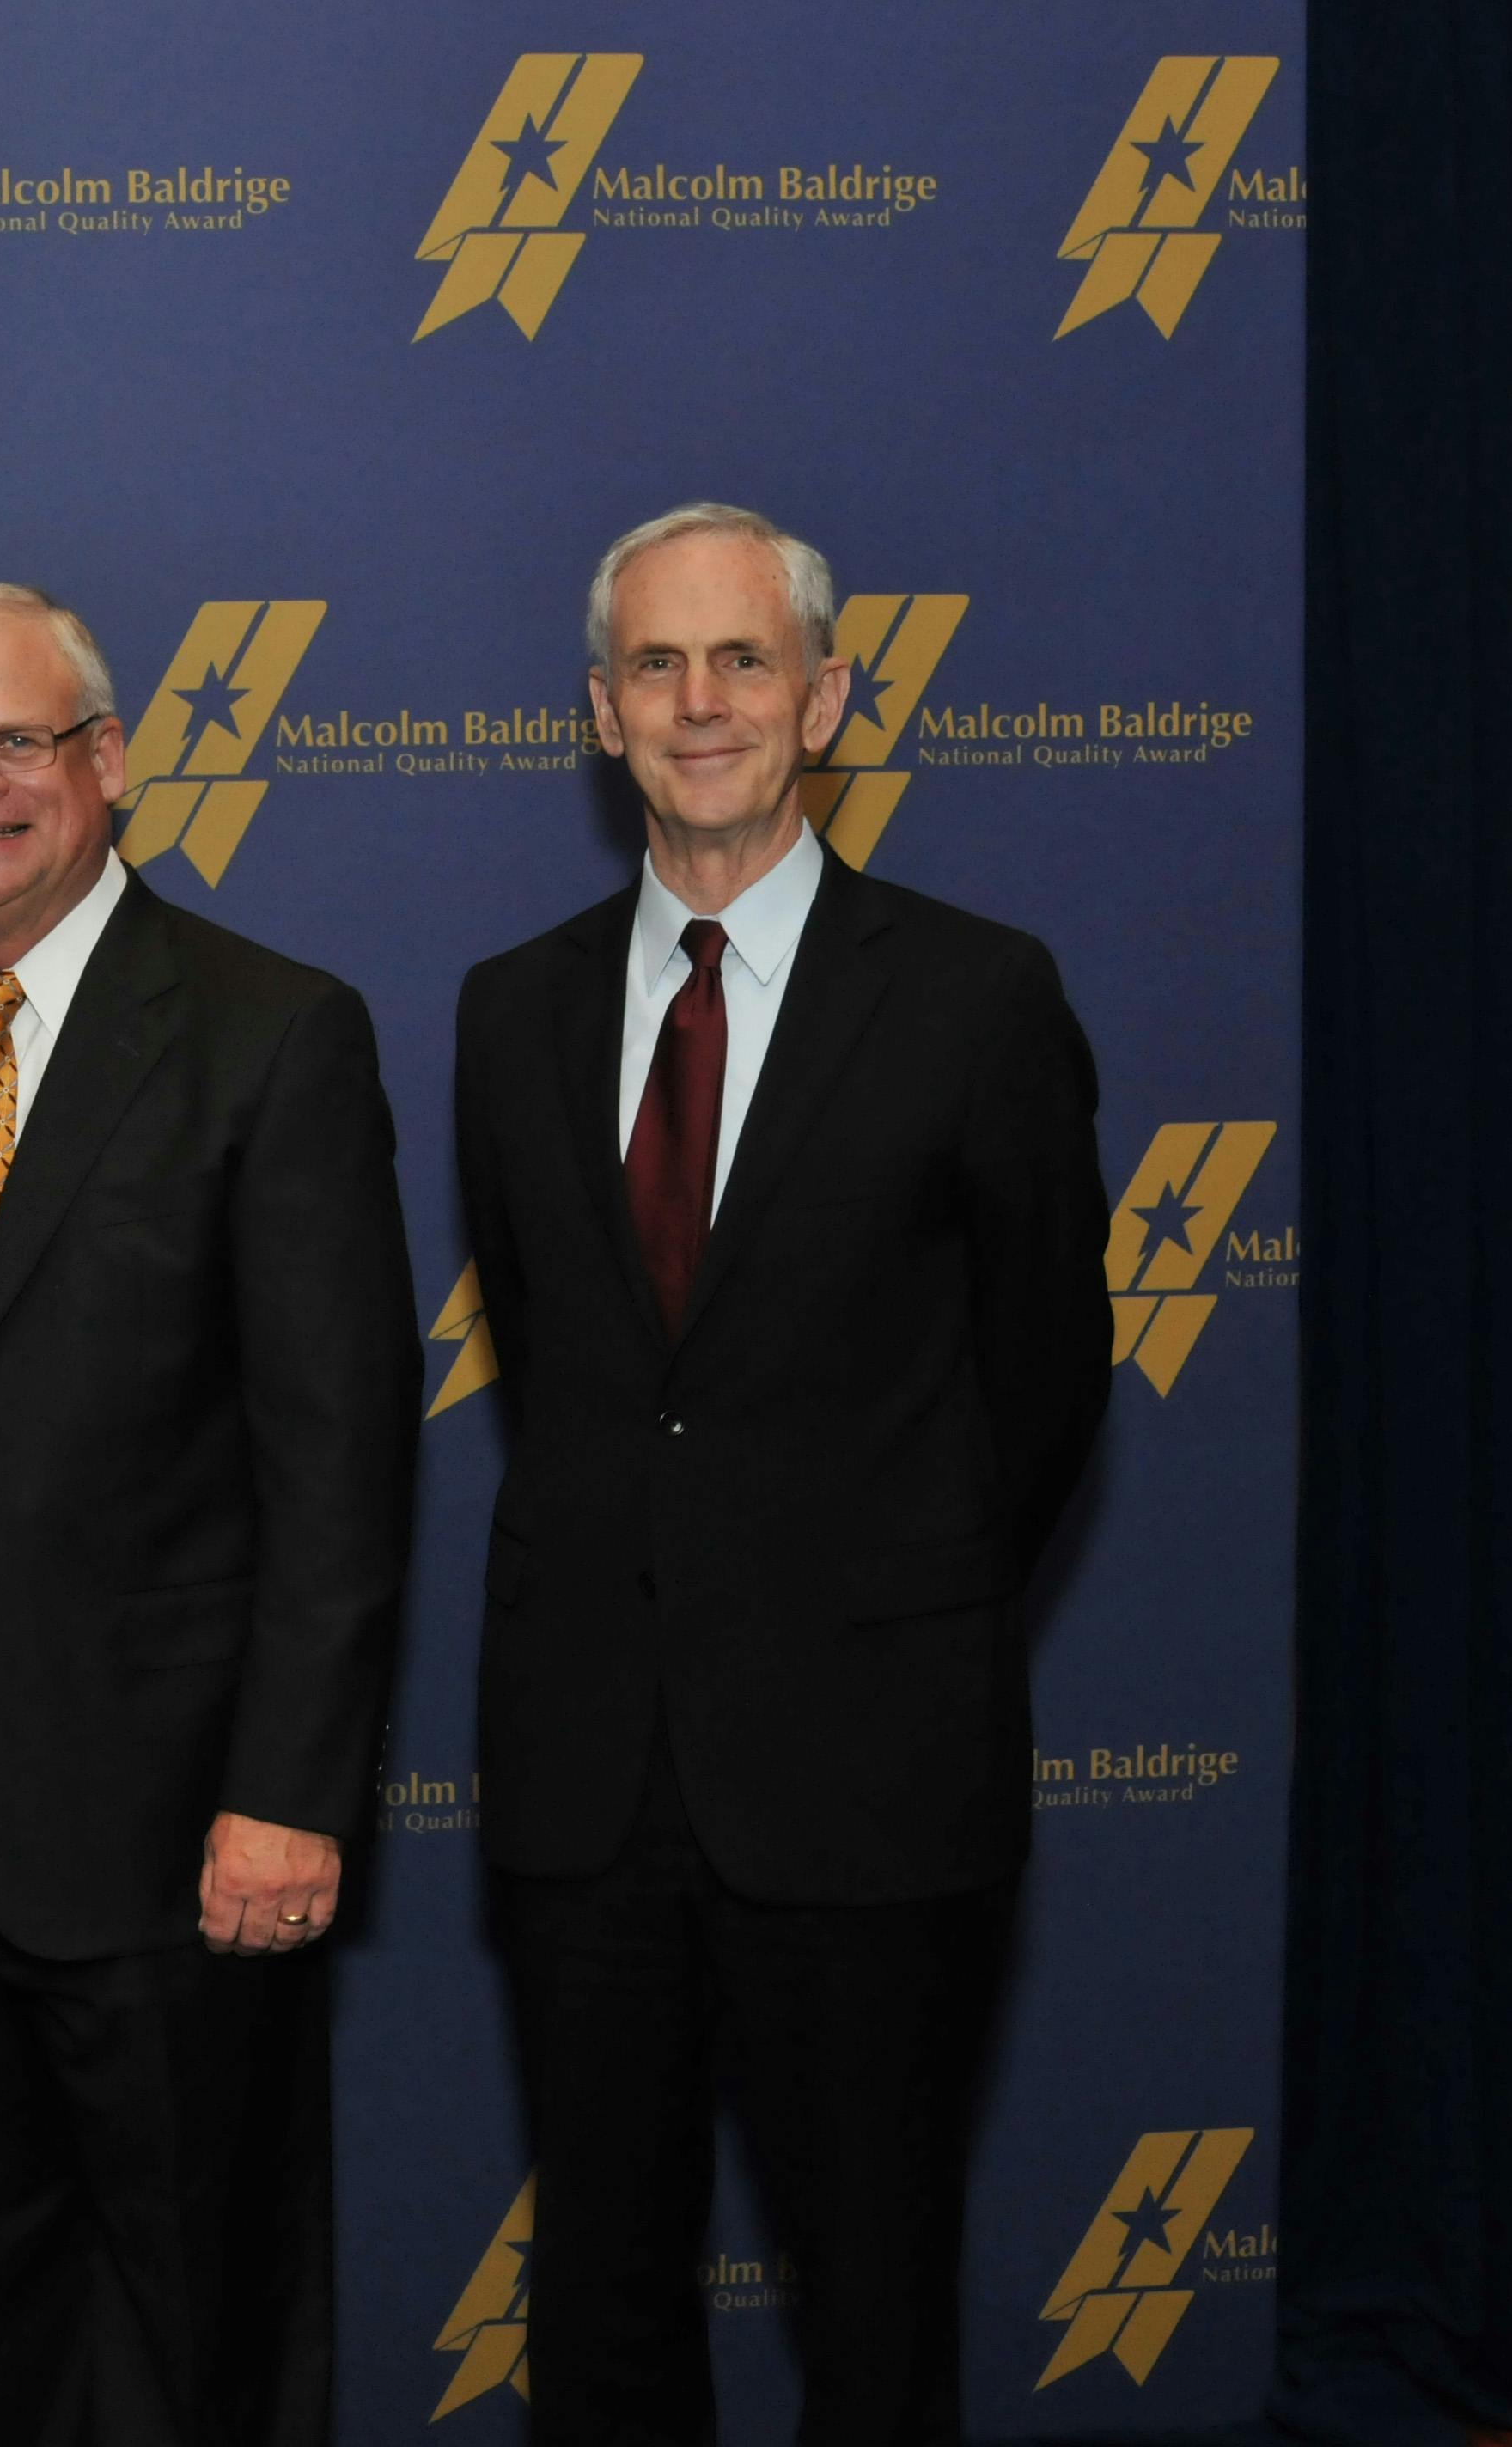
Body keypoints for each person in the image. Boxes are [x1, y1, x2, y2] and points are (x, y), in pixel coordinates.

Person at [452, 503, 1113, 2444]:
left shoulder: (979, 997)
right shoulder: (511, 1011)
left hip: (871, 1775)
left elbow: (1043, 1386)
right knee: (601, 2311)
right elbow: (576, 1383)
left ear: (826, 694)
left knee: (876, 2312)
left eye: (741, 658)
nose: (699, 699)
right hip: (586, 1786)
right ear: (598, 709)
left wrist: (867, 1595)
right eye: (654, 665)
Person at [0, 583, 418, 2445]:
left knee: (205, 2316)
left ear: (105, 761)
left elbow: (337, 1464)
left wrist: (286, 1790)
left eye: (12, 741)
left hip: (177, 1834)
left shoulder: (272, 1033)